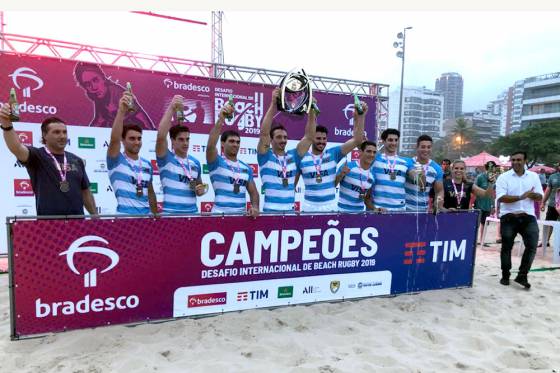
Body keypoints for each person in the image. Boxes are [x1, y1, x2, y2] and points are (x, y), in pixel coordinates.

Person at [0, 107, 97, 216]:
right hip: (48, 227)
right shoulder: (37, 156)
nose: (62, 136)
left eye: (64, 132)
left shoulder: (77, 160)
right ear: (45, 135)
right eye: (56, 132)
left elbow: (86, 193)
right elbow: (16, 147)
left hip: (77, 225)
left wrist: (96, 218)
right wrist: (6, 125)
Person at [295, 101, 366, 212]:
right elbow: (291, 186)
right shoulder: (301, 156)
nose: (322, 142)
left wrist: (360, 116)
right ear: (311, 138)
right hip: (309, 206)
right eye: (318, 138)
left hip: (330, 206)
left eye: (324, 139)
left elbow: (357, 140)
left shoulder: (333, 153)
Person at [257, 88, 316, 213]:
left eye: (285, 137)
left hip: (290, 213)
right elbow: (264, 133)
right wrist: (273, 104)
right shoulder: (265, 156)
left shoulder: (293, 156)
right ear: (271, 140)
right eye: (278, 137)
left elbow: (309, 137)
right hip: (270, 213)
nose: (283, 140)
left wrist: (311, 111)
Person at [495, 151, 543, 289]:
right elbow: (501, 197)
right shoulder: (504, 177)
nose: (516, 162)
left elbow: (539, 196)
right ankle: (505, 275)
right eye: (513, 160)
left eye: (519, 160)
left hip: (528, 215)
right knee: (507, 247)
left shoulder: (533, 176)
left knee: (532, 245)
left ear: (525, 161)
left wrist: (532, 195)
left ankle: (522, 275)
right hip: (508, 216)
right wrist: (521, 197)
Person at [107, 91, 157, 214]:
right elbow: (114, 140)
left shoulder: (146, 164)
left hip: (147, 219)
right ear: (123, 140)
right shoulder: (116, 160)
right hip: (125, 219)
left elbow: (150, 192)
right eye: (132, 138)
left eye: (139, 138)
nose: (136, 142)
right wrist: (121, 111)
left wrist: (155, 216)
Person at [206, 103, 260, 217]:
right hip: (219, 217)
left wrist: (255, 207)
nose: (235, 144)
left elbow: (254, 193)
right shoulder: (216, 162)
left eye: (238, 142)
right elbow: (211, 146)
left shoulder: (246, 168)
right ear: (222, 143)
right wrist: (221, 119)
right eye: (231, 141)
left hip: (241, 219)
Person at [155, 95, 206, 214]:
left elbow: (199, 188)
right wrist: (172, 108)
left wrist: (201, 190)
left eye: (187, 139)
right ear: (172, 140)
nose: (185, 143)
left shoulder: (195, 163)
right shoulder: (165, 158)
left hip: (193, 214)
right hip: (170, 215)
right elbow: (161, 137)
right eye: (181, 139)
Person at [74, 63, 155, 129]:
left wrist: (152, 134)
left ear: (103, 78)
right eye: (87, 84)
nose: (93, 87)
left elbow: (140, 114)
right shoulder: (100, 97)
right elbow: (99, 121)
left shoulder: (119, 93)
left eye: (95, 80)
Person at [371, 128, 417, 211]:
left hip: (399, 208)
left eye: (396, 140)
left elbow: (416, 178)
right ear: (384, 141)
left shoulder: (406, 161)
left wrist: (419, 175)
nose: (394, 143)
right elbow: (361, 145)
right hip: (379, 208)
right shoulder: (375, 158)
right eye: (390, 140)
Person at [404, 135, 444, 213]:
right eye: (423, 147)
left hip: (423, 211)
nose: (426, 150)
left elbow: (439, 191)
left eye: (429, 147)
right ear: (417, 147)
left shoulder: (437, 168)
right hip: (404, 210)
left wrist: (437, 206)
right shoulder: (408, 163)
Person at [335, 141, 376, 212]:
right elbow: (332, 185)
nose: (372, 154)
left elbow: (367, 200)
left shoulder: (372, 175)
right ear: (360, 152)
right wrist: (341, 174)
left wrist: (375, 209)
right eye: (369, 151)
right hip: (342, 212)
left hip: (360, 214)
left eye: (374, 152)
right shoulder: (348, 166)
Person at [474, 161, 498, 245]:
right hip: (479, 204)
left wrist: (493, 206)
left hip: (488, 205)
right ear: (486, 167)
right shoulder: (480, 177)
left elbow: (493, 193)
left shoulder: (494, 178)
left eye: (494, 167)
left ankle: (482, 241)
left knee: (484, 223)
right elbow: (474, 190)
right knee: (476, 224)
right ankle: (474, 240)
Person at [540, 161, 560, 247]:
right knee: (548, 223)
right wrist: (543, 202)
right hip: (553, 204)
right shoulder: (553, 176)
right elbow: (548, 190)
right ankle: (545, 241)